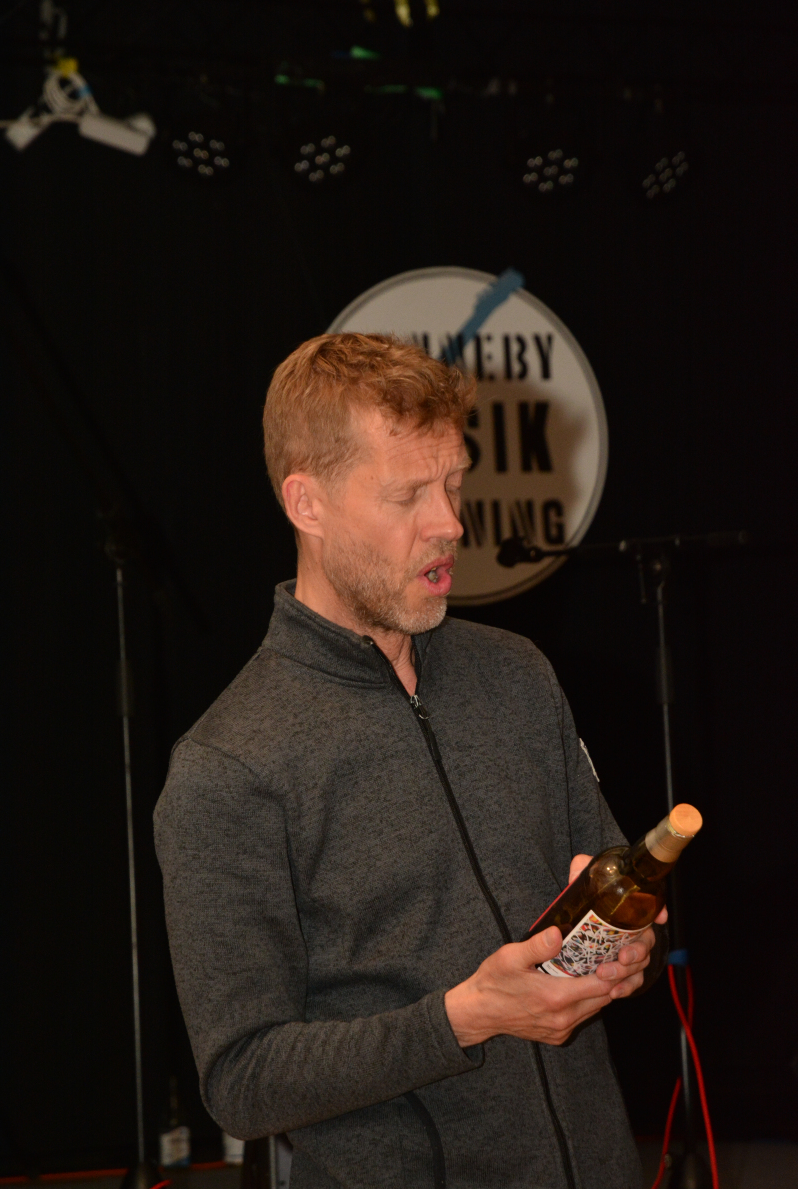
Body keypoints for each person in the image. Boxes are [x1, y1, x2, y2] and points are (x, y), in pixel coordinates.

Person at [154, 332, 667, 1189]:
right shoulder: (228, 766)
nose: (450, 524)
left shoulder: (517, 674)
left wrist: (628, 946)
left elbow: (613, 892)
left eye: (455, 484)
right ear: (306, 503)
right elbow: (242, 1083)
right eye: (408, 496)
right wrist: (463, 1019)